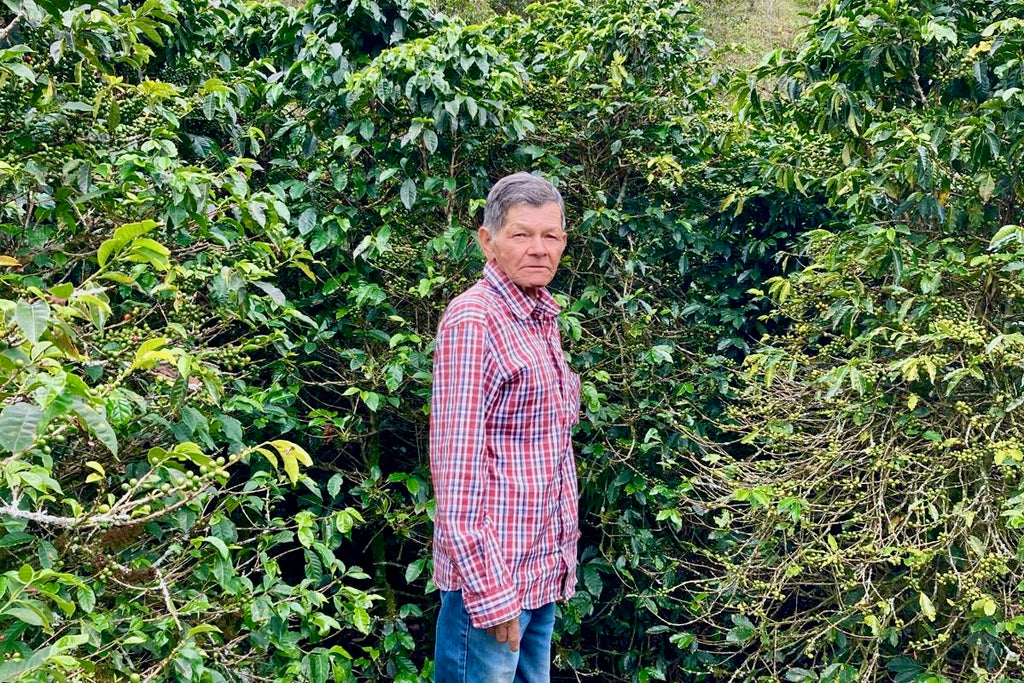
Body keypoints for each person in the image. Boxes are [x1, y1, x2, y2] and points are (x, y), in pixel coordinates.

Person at [430, 172, 582, 682]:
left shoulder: (540, 318)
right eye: (521, 234)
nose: (538, 249)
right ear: (487, 242)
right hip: (491, 589)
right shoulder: (475, 321)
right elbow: (457, 474)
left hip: (538, 576)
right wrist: (492, 599)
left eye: (550, 235)